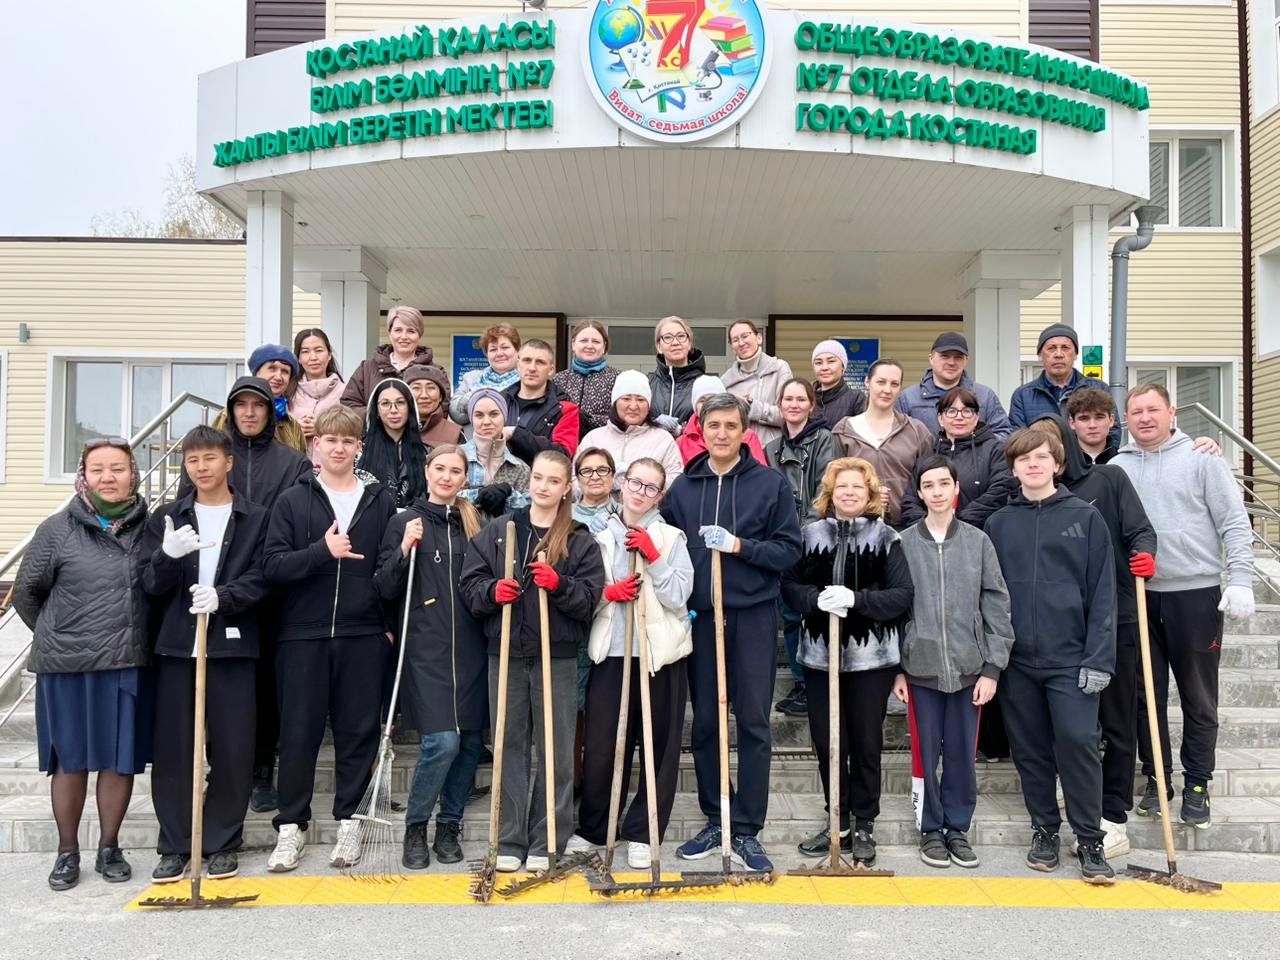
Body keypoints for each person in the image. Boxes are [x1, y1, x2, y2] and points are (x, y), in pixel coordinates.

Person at [661, 393, 802, 873]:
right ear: (701, 429)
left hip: (753, 615)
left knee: (754, 722)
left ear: (746, 431)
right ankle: (716, 815)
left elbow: (788, 550)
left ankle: (747, 828)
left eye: (730, 425)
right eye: (713, 425)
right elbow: (670, 550)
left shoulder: (770, 485)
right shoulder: (683, 489)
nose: (721, 433)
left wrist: (741, 546)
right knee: (706, 723)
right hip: (701, 617)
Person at [261, 405, 398, 872]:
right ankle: (291, 827)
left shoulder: (378, 500)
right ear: (314, 445)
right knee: (297, 734)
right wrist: (323, 551)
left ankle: (350, 821)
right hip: (302, 634)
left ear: (359, 447)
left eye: (348, 441)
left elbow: (385, 568)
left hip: (362, 634)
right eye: (329, 440)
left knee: (357, 732)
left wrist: (387, 619)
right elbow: (273, 567)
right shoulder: (292, 501)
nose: (338, 448)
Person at [1112, 384, 1255, 828]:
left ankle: (1198, 784)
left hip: (1195, 594)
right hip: (1140, 594)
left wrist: (1243, 578)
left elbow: (1233, 520)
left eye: (1153, 409)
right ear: (1127, 419)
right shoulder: (1118, 466)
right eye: (1136, 411)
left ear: (1171, 412)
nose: (1145, 418)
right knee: (1145, 698)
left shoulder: (1202, 458)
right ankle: (1158, 778)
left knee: (1197, 696)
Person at [13, 438, 153, 891]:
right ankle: (67, 851)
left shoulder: (150, 528)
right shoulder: (56, 528)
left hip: (125, 662)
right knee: (69, 762)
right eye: (98, 470)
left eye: (117, 468)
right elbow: (27, 594)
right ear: (84, 476)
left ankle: (109, 846)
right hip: (67, 667)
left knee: (118, 761)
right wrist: (57, 635)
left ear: (133, 473)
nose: (108, 478)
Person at [459, 449, 606, 872]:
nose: (543, 486)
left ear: (566, 489)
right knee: (509, 746)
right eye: (538, 478)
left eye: (553, 481)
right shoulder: (500, 531)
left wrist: (560, 585)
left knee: (557, 751)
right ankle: (510, 840)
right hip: (504, 652)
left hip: (555, 657)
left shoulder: (577, 538)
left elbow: (590, 601)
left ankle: (548, 840)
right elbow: (470, 584)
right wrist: (491, 593)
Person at [984, 428, 1117, 884]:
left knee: (1079, 744)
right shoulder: (999, 524)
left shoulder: (1086, 518)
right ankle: (1044, 830)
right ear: (1014, 466)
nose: (1033, 465)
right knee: (1031, 751)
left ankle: (1089, 839)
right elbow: (989, 595)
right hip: (1018, 662)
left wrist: (1099, 659)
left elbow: (1103, 593)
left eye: (1042, 457)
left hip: (1072, 661)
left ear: (1058, 464)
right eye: (1024, 459)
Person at [140, 426, 270, 883]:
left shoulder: (255, 517)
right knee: (175, 750)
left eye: (209, 459)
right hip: (178, 648)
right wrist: (166, 556)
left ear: (228, 462)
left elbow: (264, 577)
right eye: (192, 461)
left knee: (233, 749)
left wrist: (224, 596)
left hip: (233, 648)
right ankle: (175, 844)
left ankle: (221, 841)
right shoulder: (168, 518)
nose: (201, 468)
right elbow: (150, 586)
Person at [1026, 414, 1157, 857]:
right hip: (1048, 634)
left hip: (1112, 616)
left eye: (1047, 447)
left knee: (1116, 720)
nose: (1038, 458)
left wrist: (1145, 553)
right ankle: (1069, 803)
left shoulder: (1108, 481)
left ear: (1063, 450)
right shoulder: (1021, 502)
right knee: (1065, 732)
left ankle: (1111, 812)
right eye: (1030, 450)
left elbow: (1140, 530)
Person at [780, 458, 914, 868]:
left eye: (858, 487)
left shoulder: (887, 537)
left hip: (870, 661)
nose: (850, 493)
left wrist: (858, 600)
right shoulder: (809, 535)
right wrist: (813, 599)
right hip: (821, 659)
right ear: (830, 493)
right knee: (827, 742)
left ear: (870, 493)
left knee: (865, 743)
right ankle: (837, 821)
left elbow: (902, 596)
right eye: (842, 487)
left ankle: (866, 823)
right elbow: (788, 587)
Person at [572, 458, 694, 867]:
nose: (640, 492)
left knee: (658, 748)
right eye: (635, 483)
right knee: (605, 746)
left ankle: (644, 831)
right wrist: (609, 592)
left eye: (651, 487)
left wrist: (655, 557)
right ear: (622, 484)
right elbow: (582, 595)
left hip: (659, 655)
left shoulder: (673, 537)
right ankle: (595, 827)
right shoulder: (594, 536)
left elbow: (679, 596)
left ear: (660, 495)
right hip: (612, 651)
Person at [373, 445, 488, 868]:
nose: (446, 476)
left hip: (473, 649)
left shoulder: (473, 523)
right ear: (427, 471)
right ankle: (416, 826)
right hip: (426, 649)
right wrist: (403, 548)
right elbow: (383, 586)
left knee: (472, 741)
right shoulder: (405, 520)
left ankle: (449, 825)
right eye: (440, 468)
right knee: (442, 742)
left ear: (464, 478)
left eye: (455, 471)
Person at [899, 455, 1014, 869]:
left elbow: (997, 604)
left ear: (955, 489)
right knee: (925, 752)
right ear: (919, 493)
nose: (937, 492)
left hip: (969, 669)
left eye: (943, 484)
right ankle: (930, 828)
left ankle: (957, 828)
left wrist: (992, 668)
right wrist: (898, 666)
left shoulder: (978, 542)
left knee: (963, 752)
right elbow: (896, 608)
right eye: (928, 485)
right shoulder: (904, 543)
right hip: (921, 668)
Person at [215, 376, 312, 814]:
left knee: (269, 688)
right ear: (232, 410)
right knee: (226, 687)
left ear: (271, 411)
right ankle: (221, 771)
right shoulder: (215, 460)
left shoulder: (292, 462)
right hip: (223, 589)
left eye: (258, 405)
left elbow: (299, 518)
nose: (250, 413)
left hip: (274, 589)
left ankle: (260, 773)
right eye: (242, 405)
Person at [766, 378, 839, 719]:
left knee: (814, 614)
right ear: (780, 405)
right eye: (788, 399)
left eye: (800, 399)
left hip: (816, 541)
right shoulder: (771, 449)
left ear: (811, 405)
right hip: (784, 543)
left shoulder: (825, 440)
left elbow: (826, 489)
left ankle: (816, 684)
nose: (794, 405)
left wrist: (805, 532)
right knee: (791, 616)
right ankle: (800, 683)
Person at [831, 358, 934, 527]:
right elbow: (833, 482)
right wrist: (870, 494)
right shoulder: (844, 431)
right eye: (881, 382)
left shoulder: (916, 431)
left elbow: (929, 480)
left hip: (907, 527)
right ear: (867, 382)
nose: (887, 390)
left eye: (894, 384)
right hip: (856, 528)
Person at [899, 386, 1015, 529]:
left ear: (976, 417)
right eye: (951, 411)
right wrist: (928, 527)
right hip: (931, 539)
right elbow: (911, 500)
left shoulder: (995, 451)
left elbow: (1000, 491)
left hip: (980, 535)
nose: (959, 417)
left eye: (967, 411)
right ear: (940, 418)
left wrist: (958, 525)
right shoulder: (928, 454)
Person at [1008, 323, 1118, 447]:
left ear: (1076, 354)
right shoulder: (1023, 395)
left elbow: (1113, 432)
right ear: (1039, 355)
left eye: (1065, 348)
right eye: (1051, 348)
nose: (1059, 354)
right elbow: (1018, 440)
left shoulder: (1098, 389)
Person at [896, 332, 1012, 440]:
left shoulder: (985, 396)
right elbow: (898, 440)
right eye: (945, 356)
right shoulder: (908, 399)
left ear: (966, 360)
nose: (951, 362)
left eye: (958, 357)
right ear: (931, 359)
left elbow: (1003, 433)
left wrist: (974, 450)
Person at [579, 370, 684, 488]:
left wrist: (641, 484)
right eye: (626, 399)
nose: (633, 406)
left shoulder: (663, 439)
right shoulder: (593, 438)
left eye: (640, 399)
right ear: (615, 402)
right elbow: (574, 480)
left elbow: (676, 481)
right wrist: (603, 483)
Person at [214, 344, 307, 454]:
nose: (278, 377)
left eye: (285, 371)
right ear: (257, 372)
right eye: (272, 368)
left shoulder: (292, 425)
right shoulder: (229, 415)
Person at [342, 305, 435, 411]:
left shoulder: (435, 371)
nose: (404, 337)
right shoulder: (366, 369)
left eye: (411, 331)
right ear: (390, 333)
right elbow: (349, 404)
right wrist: (378, 418)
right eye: (398, 330)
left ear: (420, 335)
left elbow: (440, 410)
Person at [503, 339, 581, 464]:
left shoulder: (565, 409)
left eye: (540, 362)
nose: (532, 368)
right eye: (527, 360)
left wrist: (515, 433)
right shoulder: (498, 401)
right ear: (518, 364)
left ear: (551, 370)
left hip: (540, 481)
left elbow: (562, 456)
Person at [721, 320, 793, 448]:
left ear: (759, 338)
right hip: (739, 454)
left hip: (774, 452)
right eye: (735, 340)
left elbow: (788, 415)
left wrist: (752, 407)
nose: (741, 343)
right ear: (732, 347)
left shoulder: (779, 368)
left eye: (745, 336)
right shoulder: (726, 381)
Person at [356, 378, 428, 509]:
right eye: (385, 403)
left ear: (409, 407)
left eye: (400, 403)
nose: (393, 410)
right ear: (376, 410)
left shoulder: (427, 453)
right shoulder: (359, 453)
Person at [459, 389, 531, 518]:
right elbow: (439, 497)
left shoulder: (520, 468)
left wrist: (509, 495)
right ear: (471, 419)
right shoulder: (455, 458)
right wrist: (479, 495)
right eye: (479, 415)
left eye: (494, 414)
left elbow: (529, 510)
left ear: (504, 416)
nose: (486, 422)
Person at [677, 375, 767, 467]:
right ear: (695, 406)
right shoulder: (682, 442)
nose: (707, 404)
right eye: (702, 400)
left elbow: (760, 474)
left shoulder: (747, 436)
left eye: (713, 399)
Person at [553, 320, 621, 436]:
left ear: (604, 346)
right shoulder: (559, 379)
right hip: (565, 446)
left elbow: (623, 419)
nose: (589, 346)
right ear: (573, 345)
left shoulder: (618, 378)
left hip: (604, 446)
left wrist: (586, 419)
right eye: (584, 340)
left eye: (595, 341)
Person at [289, 328, 345, 463]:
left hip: (332, 468)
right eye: (305, 351)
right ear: (298, 358)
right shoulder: (288, 392)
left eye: (319, 350)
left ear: (329, 354)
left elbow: (354, 432)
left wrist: (322, 428)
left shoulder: (345, 392)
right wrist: (294, 429)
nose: (313, 357)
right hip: (293, 469)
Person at [452, 322, 522, 426]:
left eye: (505, 347)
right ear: (486, 354)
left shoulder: (527, 379)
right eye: (493, 349)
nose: (499, 353)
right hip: (475, 441)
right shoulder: (471, 378)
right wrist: (476, 395)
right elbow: (456, 414)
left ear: (518, 350)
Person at [648, 315, 708, 431]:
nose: (675, 342)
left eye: (681, 336)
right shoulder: (648, 384)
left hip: (693, 449)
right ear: (659, 346)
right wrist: (654, 424)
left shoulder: (704, 384)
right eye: (668, 337)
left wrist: (683, 430)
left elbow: (714, 423)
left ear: (689, 343)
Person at [404, 363, 464, 450]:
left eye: (431, 388)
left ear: (440, 397)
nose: (424, 395)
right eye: (416, 388)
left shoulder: (455, 434)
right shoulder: (393, 429)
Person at [810, 340, 866, 428]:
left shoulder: (856, 399)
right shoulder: (807, 399)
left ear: (843, 366)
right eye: (818, 363)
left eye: (831, 361)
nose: (824, 368)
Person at [1066, 388, 1119, 464]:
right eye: (1084, 419)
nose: (1092, 425)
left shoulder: (1123, 462)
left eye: (1099, 417)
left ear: (1111, 421)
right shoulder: (1061, 463)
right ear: (1072, 423)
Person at [572, 447, 617, 533]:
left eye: (602, 470)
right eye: (587, 471)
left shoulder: (625, 515)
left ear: (613, 477)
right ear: (577, 479)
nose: (595, 477)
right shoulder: (562, 516)